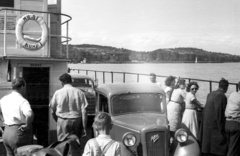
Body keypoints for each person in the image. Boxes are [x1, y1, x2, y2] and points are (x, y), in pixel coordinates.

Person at [0, 77, 34, 156]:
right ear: (22, 86)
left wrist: (3, 120)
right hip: (18, 133)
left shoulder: (3, 99)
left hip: (6, 132)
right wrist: (27, 124)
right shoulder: (22, 100)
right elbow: (29, 114)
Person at [49, 73, 88, 141]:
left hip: (62, 120)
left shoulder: (58, 93)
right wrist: (84, 128)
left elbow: (52, 110)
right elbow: (84, 112)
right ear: (71, 81)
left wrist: (58, 121)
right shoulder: (80, 93)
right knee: (75, 143)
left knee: (62, 144)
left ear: (62, 82)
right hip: (77, 120)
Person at [199, 78, 229, 156]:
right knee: (220, 146)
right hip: (214, 127)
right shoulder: (222, 96)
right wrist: (222, 129)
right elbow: (219, 114)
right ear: (226, 88)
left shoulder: (210, 94)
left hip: (207, 125)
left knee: (208, 147)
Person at [225, 81, 240, 156]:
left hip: (227, 123)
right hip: (236, 125)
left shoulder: (233, 94)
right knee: (233, 150)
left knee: (230, 147)